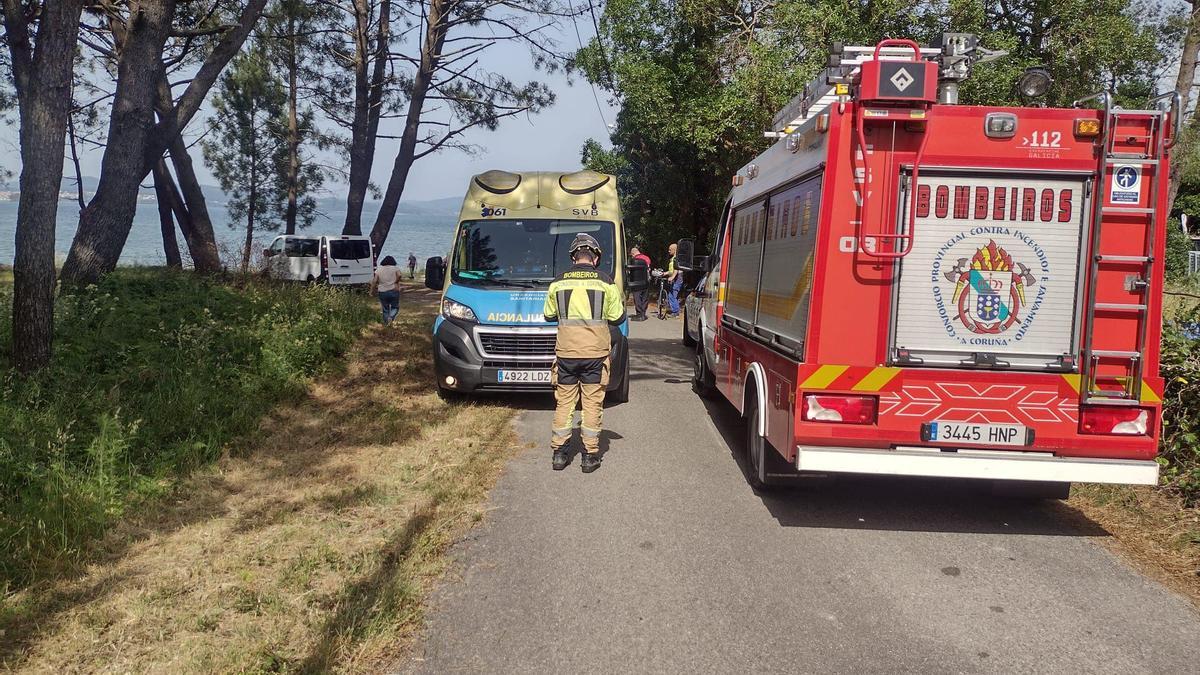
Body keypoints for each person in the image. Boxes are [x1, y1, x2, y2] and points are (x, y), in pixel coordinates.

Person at [543, 233, 626, 473]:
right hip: (595, 355)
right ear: (596, 257)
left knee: (564, 403)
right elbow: (618, 317)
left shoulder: (557, 283)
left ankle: (559, 455)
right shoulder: (606, 283)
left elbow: (548, 315)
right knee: (592, 404)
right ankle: (589, 457)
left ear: (573, 257)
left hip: (566, 354)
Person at [370, 255, 402, 325]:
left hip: (382, 291)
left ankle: (386, 323)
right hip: (393, 289)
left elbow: (375, 281)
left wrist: (371, 291)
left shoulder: (379, 269)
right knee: (395, 307)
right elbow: (399, 275)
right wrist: (396, 282)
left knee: (385, 308)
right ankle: (391, 317)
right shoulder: (395, 268)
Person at [629, 245, 651, 321]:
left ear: (633, 253)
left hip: (636, 281)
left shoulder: (634, 260)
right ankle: (643, 313)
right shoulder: (647, 258)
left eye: (631, 255)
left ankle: (639, 314)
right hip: (646, 280)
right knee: (645, 297)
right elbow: (648, 269)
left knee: (637, 297)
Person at [666, 242, 683, 318]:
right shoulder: (673, 258)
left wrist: (672, 277)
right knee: (672, 295)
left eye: (670, 250)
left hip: (677, 279)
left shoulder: (676, 258)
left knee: (672, 295)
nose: (669, 251)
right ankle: (675, 310)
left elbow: (676, 269)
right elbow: (671, 270)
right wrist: (664, 273)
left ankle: (675, 312)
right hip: (675, 278)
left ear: (675, 250)